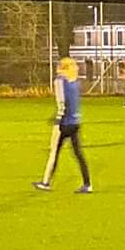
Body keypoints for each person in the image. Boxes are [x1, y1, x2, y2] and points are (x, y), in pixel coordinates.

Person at [33, 57, 92, 194]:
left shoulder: (60, 81)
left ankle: (45, 182)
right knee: (79, 154)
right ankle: (88, 184)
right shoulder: (76, 82)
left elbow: (61, 102)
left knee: (54, 152)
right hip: (75, 122)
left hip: (64, 123)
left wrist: (57, 119)